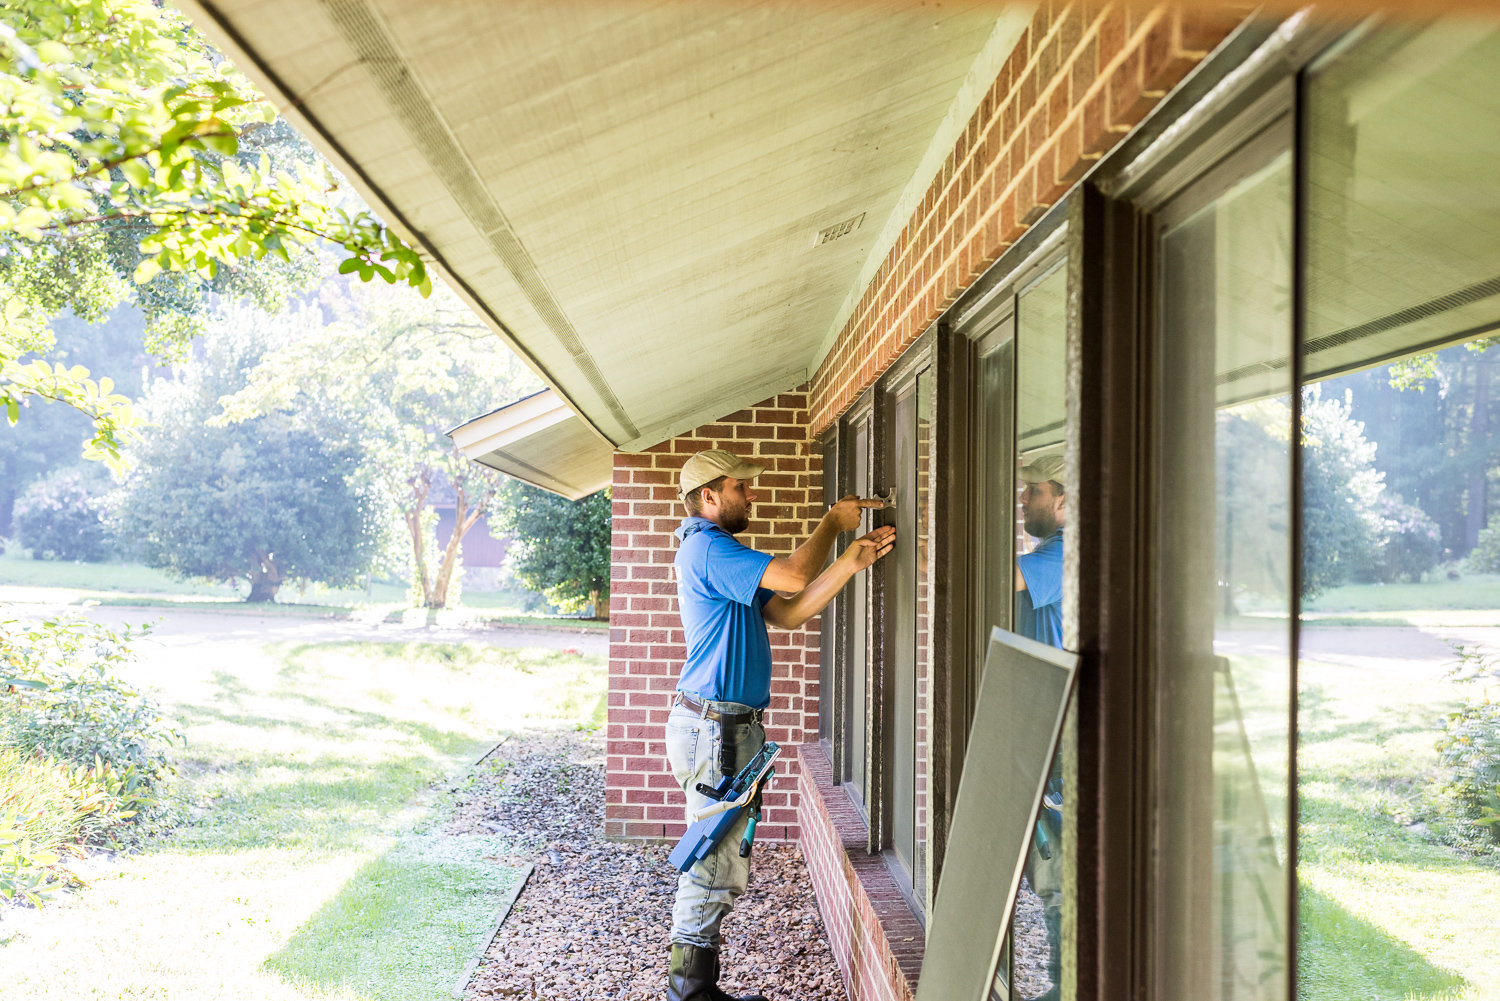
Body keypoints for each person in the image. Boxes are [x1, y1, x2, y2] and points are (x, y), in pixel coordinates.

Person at [666, 448, 895, 1001]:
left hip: (725, 728)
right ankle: (688, 993)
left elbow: (787, 612)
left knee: (720, 853)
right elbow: (793, 577)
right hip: (716, 730)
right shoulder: (709, 547)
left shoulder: (722, 554)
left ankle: (694, 988)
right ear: (709, 496)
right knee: (713, 857)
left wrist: (849, 563)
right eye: (741, 486)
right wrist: (832, 525)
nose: (751, 494)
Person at [1015, 451, 1065, 1001]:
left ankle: (1065, 984)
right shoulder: (1047, 551)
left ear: (1063, 500)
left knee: (1056, 855)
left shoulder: (1061, 554)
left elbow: (989, 570)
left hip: (1061, 724)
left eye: (1034, 490)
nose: (1024, 500)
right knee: (1049, 852)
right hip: (1044, 716)